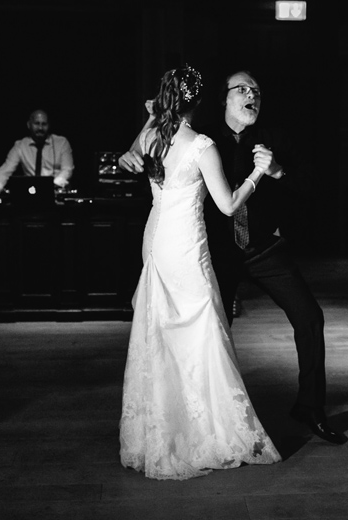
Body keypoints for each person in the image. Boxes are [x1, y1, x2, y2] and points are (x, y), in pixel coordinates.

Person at [125, 69, 347, 445]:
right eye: (242, 90)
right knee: (215, 331)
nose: (251, 96)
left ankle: (310, 406)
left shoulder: (276, 139)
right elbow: (156, 155)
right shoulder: (201, 137)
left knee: (310, 317)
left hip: (264, 248)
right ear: (224, 99)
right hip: (216, 253)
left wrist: (277, 171)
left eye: (256, 91)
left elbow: (314, 189)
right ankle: (214, 417)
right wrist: (135, 145)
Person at [117, 65, 281, 480]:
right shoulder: (202, 145)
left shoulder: (152, 135)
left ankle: (161, 430)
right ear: (200, 103)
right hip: (187, 247)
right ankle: (206, 429)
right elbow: (228, 206)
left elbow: (133, 152)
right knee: (201, 331)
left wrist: (153, 114)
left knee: (162, 334)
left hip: (156, 241)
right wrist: (258, 174)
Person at [0, 109, 74, 191]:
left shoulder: (62, 142)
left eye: (44, 124)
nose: (40, 128)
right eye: (37, 123)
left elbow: (67, 169)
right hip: (31, 192)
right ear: (29, 125)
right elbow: (6, 170)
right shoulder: (20, 145)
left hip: (56, 191)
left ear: (49, 125)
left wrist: (48, 186)